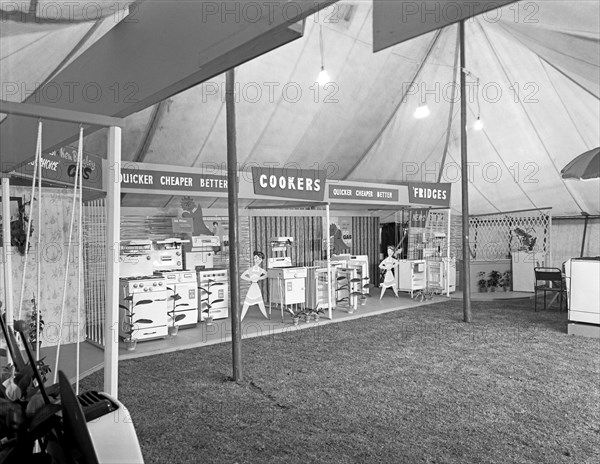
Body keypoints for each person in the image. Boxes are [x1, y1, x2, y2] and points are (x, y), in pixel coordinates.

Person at [241, 251, 268, 320]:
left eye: (259, 259)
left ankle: (266, 316)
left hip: (256, 287)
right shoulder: (250, 269)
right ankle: (241, 317)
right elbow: (242, 276)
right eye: (256, 258)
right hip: (253, 287)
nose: (257, 260)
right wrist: (250, 279)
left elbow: (267, 274)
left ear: (261, 260)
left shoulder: (260, 270)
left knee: (260, 302)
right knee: (247, 302)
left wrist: (259, 278)